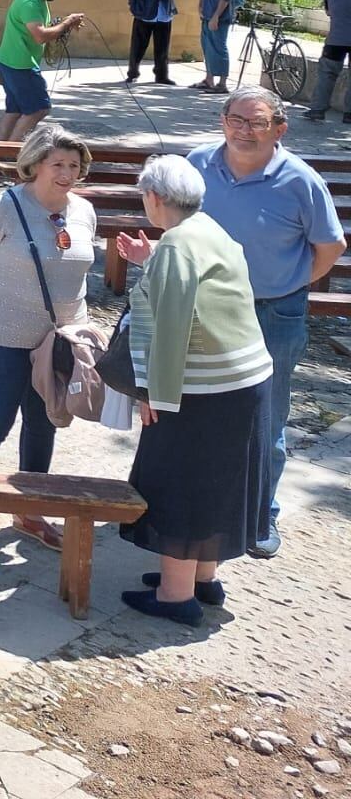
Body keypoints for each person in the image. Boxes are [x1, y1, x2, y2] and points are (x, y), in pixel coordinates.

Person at [110, 156, 275, 626]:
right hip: (244, 379)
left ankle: (175, 594)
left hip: (203, 390)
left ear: (154, 197)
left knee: (180, 482)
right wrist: (150, 262)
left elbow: (171, 328)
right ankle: (203, 577)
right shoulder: (208, 230)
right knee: (218, 482)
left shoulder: (177, 246)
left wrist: (151, 395)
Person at [187, 88, 346, 557]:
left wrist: (291, 284)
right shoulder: (196, 164)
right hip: (204, 309)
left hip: (272, 312)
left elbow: (330, 248)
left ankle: (260, 516)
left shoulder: (300, 180)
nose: (245, 130)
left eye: (257, 123)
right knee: (196, 408)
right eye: (237, 119)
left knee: (265, 417)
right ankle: (198, 509)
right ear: (222, 120)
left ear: (280, 128)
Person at [0, 123, 97, 551]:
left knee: (44, 424)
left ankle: (30, 510)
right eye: (58, 164)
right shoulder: (3, 208)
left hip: (57, 342)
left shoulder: (84, 212)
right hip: (5, 338)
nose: (67, 173)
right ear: (34, 165)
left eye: (74, 165)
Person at [0, 0, 84, 141]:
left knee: (14, 110)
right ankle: (12, 153)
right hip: (21, 64)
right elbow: (40, 35)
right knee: (39, 109)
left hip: (9, 60)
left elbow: (38, 29)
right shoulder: (30, 3)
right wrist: (67, 23)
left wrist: (64, 23)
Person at [304, 0, 351, 122]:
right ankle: (349, 114)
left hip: (335, 39)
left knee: (327, 74)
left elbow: (329, 12)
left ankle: (317, 109)